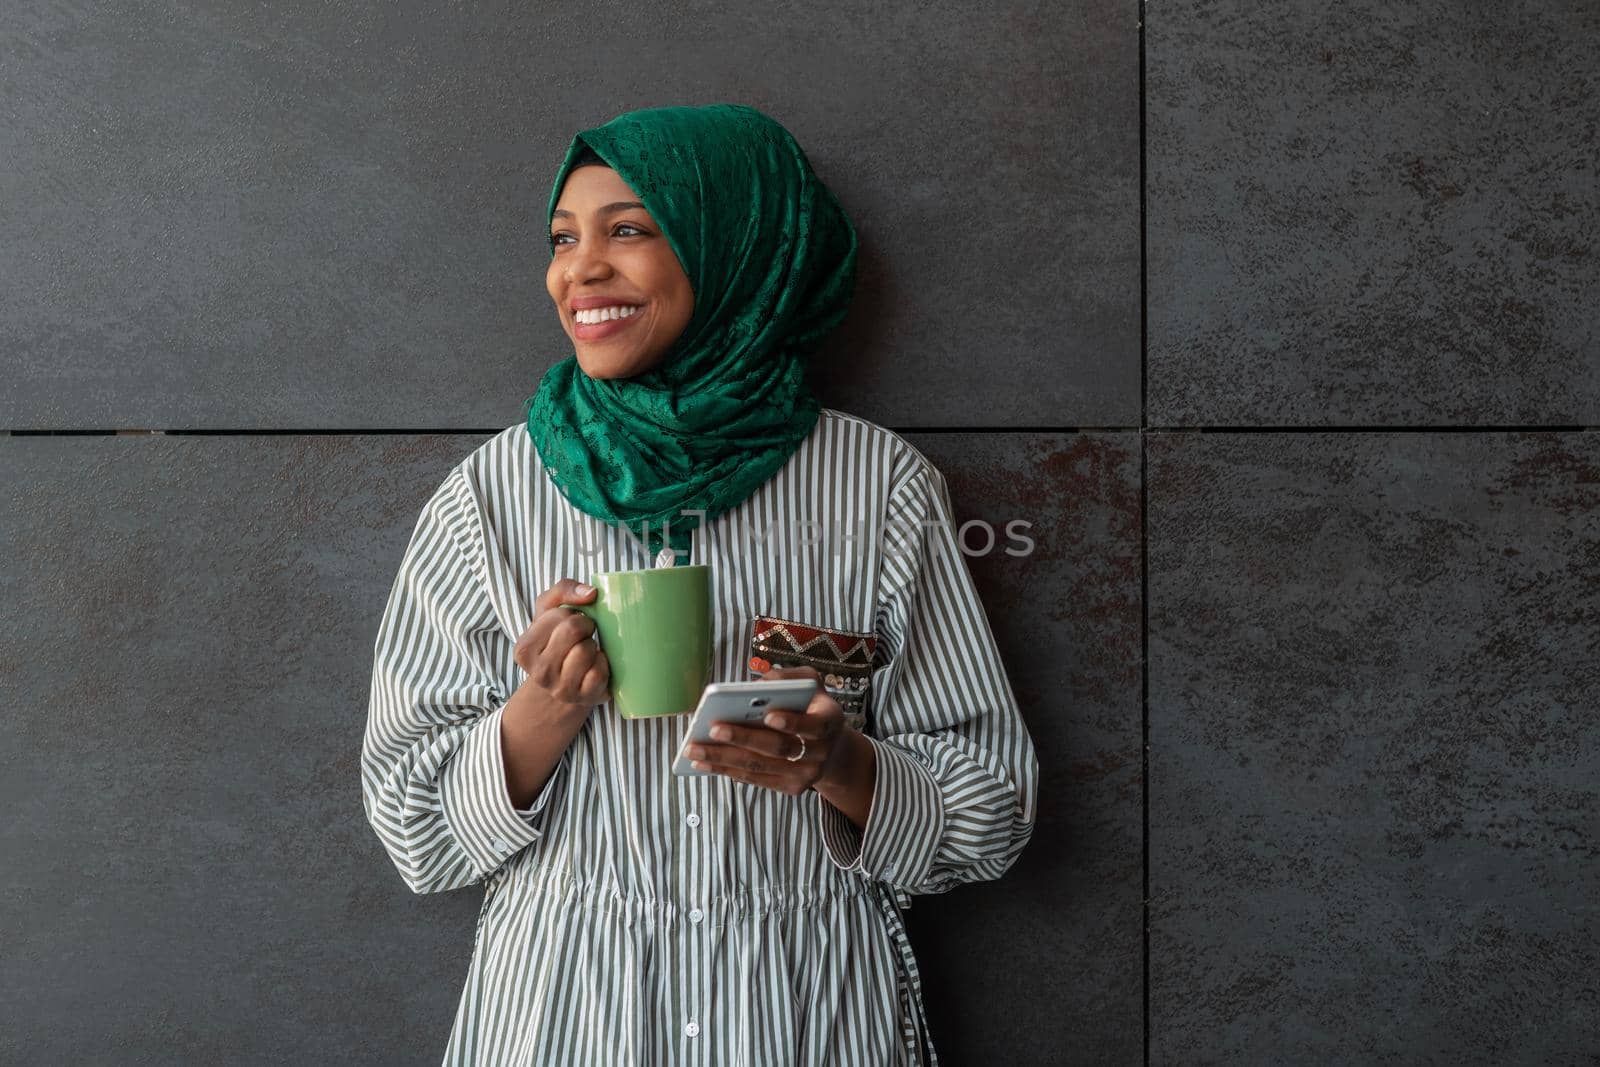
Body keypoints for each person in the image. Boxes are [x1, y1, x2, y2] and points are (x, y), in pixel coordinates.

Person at [360, 102, 1039, 1067]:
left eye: (628, 229)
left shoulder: (881, 489)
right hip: (562, 1018)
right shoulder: (489, 498)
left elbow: (994, 811)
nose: (580, 269)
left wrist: (839, 766)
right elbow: (415, 834)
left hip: (809, 1018)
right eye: (563, 239)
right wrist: (541, 713)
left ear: (737, 244)